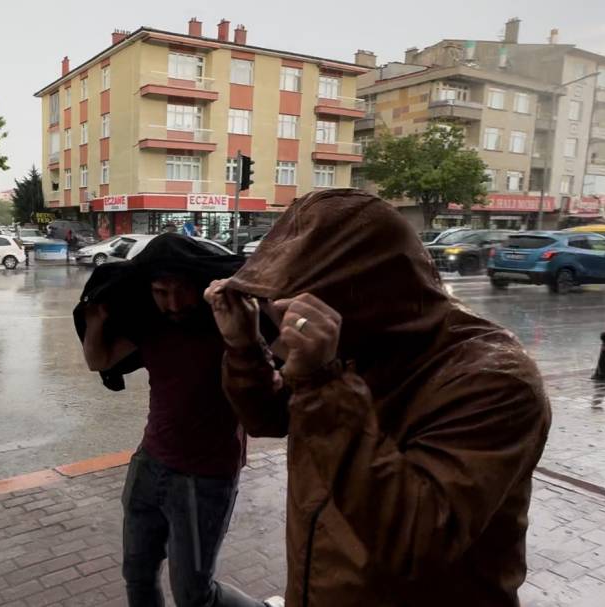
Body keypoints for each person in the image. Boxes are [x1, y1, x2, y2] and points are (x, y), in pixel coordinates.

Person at [204, 189, 551, 606]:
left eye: (296, 311)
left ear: (365, 293)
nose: (284, 337)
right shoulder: (356, 343)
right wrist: (244, 349)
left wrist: (322, 383)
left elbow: (417, 539)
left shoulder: (495, 380)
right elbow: (271, 420)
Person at [75, 234, 265, 607]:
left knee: (196, 595)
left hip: (205, 477)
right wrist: (95, 320)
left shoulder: (227, 328)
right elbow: (100, 360)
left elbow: (268, 386)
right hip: (150, 464)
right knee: (137, 576)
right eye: (161, 292)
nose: (173, 303)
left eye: (182, 291)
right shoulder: (150, 325)